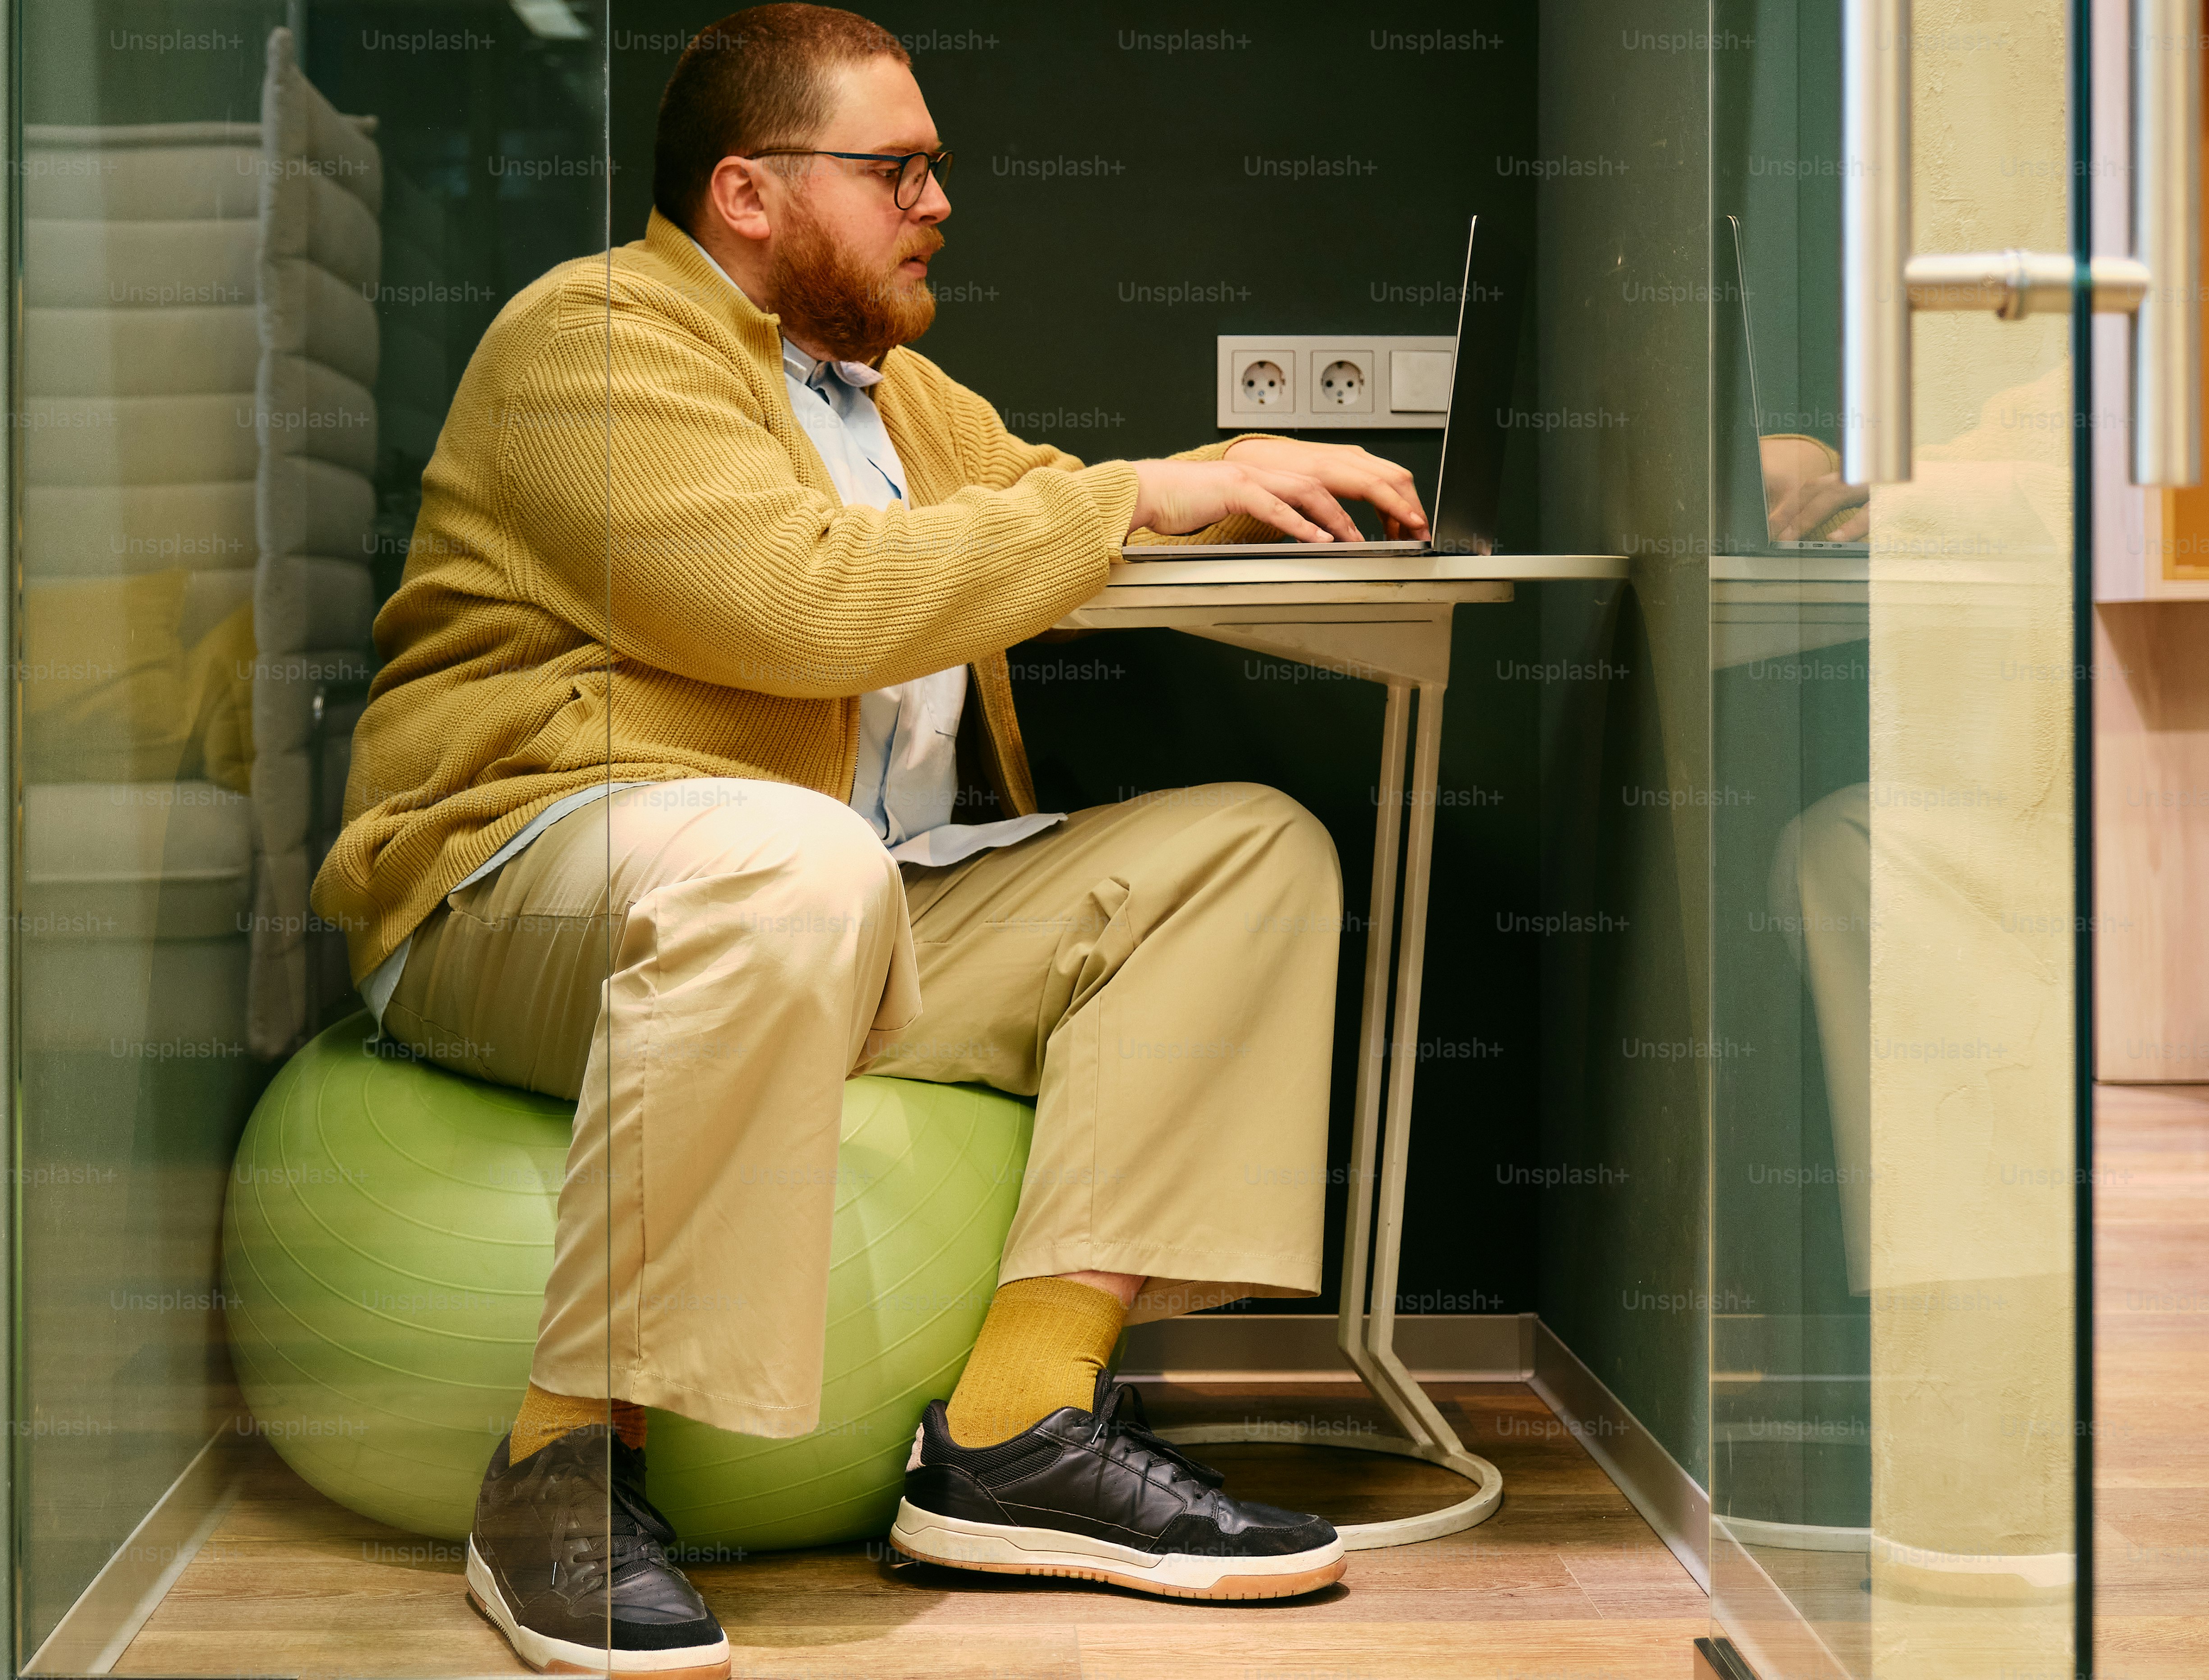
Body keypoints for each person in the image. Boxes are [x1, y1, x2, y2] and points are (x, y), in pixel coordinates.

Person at [315, 7, 1435, 1672]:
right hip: (514, 894)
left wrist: (1230, 473)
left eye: (938, 169)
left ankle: (1018, 1431)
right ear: (748, 192)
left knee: (1249, 855)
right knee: (794, 863)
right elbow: (796, 602)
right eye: (897, 170)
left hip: (838, 906)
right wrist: (1137, 493)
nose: (940, 203)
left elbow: (1046, 505)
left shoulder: (893, 399)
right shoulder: (592, 343)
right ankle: (558, 1471)